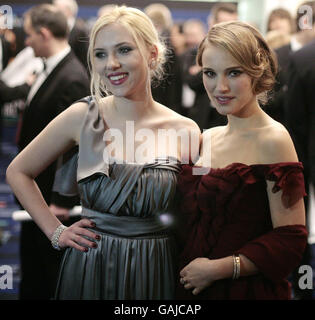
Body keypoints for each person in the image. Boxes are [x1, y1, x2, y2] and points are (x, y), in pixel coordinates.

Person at [6, 5, 199, 300]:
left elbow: (196, 213)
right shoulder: (83, 115)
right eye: (100, 54)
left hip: (157, 265)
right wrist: (56, 232)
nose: (111, 64)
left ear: (152, 54)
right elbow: (18, 171)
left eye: (123, 50)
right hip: (91, 264)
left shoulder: (185, 129)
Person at [176, 21, 308, 300]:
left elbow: (290, 240)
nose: (219, 86)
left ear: (256, 73)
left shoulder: (273, 138)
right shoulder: (206, 137)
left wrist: (218, 269)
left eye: (233, 73)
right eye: (210, 73)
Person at [14, 4, 90, 300]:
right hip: (36, 191)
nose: (26, 41)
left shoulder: (71, 77)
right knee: (34, 270)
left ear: (44, 34)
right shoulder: (51, 70)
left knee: (50, 277)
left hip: (51, 199)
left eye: (30, 35)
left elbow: (76, 147)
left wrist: (61, 199)